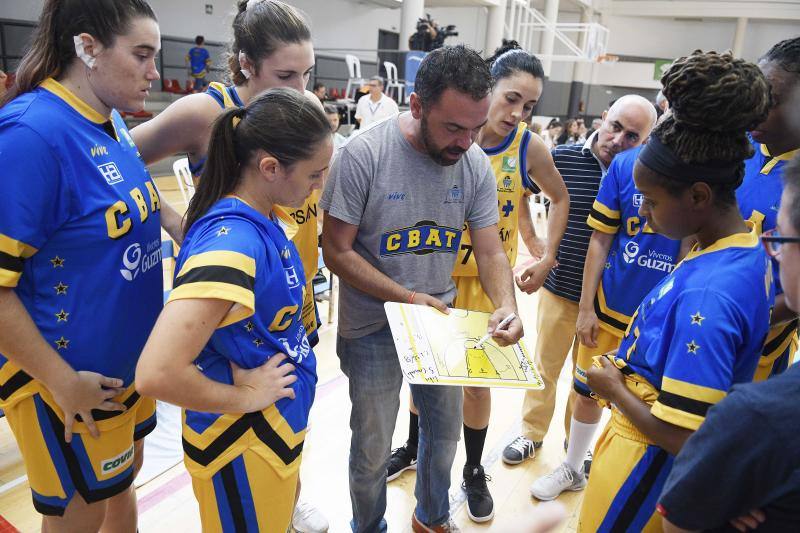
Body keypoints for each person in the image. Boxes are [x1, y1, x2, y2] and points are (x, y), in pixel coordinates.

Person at [130, 2, 329, 530]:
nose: (299, 86)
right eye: (286, 74)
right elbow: (116, 164)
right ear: (245, 64)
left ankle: (282, 502)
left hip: (285, 285)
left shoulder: (293, 132)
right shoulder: (205, 115)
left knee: (279, 413)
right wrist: (172, 220)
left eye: (307, 73)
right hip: (234, 288)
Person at [320, 45, 524, 533]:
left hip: (438, 324)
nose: (465, 141)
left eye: (474, 128)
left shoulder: (473, 163)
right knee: (371, 447)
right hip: (373, 326)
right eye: (453, 127)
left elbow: (492, 251)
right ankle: (368, 526)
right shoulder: (362, 155)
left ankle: (431, 519)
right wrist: (408, 297)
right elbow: (337, 252)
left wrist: (507, 304)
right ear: (416, 106)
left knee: (444, 437)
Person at [579, 50, 774, 532]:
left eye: (651, 200)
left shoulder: (710, 295)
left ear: (699, 196)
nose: (642, 213)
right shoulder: (736, 250)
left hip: (647, 470)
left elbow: (688, 438)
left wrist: (613, 388)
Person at [386, 41, 569, 524]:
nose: (517, 112)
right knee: (421, 372)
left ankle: (471, 470)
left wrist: (545, 255)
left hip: (486, 284)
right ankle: (410, 445)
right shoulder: (439, 137)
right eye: (511, 98)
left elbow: (557, 198)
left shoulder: (529, 146)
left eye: (528, 105)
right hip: (433, 275)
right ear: (488, 87)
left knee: (474, 386)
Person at [0, 1, 162, 531]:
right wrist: (62, 382)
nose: (154, 72)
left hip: (124, 370)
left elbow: (123, 207)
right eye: (141, 55)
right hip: (67, 381)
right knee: (78, 515)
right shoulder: (30, 137)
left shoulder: (108, 117)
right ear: (88, 47)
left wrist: (182, 224)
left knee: (122, 480)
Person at [503, 95, 656, 467]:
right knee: (545, 367)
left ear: (647, 140)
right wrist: (534, 242)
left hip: (606, 302)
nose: (618, 139)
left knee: (586, 378)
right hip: (559, 288)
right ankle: (531, 433)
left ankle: (576, 447)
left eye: (632, 136)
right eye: (615, 127)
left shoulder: (644, 176)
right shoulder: (563, 158)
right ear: (603, 119)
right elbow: (521, 194)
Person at [530, 137, 684, 501]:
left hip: (658, 317)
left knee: (644, 403)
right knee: (586, 389)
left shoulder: (705, 175)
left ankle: (622, 472)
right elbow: (599, 239)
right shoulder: (626, 165)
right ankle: (572, 465)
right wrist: (586, 308)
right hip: (610, 307)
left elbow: (693, 251)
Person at [659, 155, 800, 533]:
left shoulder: (756, 417)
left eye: (780, 239)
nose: (772, 254)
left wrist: (721, 495)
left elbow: (682, 515)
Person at [738, 36, 800, 381]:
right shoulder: (732, 144)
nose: (756, 109)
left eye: (771, 101)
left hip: (764, 345)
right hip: (701, 322)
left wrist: (748, 316)